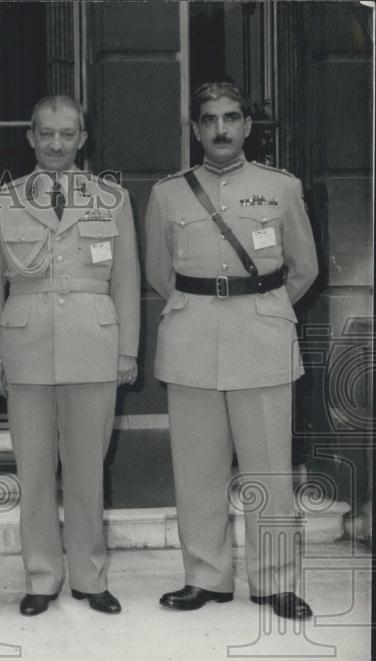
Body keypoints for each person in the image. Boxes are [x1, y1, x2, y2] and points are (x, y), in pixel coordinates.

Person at [145, 81, 318, 619]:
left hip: (260, 336)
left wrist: (260, 306)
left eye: (231, 118)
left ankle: (276, 581)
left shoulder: (281, 188)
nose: (220, 128)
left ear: (247, 126)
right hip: (192, 337)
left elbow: (304, 268)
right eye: (209, 119)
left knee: (269, 467)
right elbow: (158, 273)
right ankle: (206, 576)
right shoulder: (168, 193)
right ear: (196, 130)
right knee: (197, 468)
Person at [0, 95, 140, 617]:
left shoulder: (111, 199)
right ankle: (41, 576)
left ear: (82, 140)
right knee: (34, 468)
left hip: (94, 346)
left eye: (66, 134)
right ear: (30, 137)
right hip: (24, 348)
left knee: (89, 468)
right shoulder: (1, 202)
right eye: (46, 133)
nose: (55, 143)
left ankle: (90, 576)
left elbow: (127, 280)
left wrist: (126, 350)